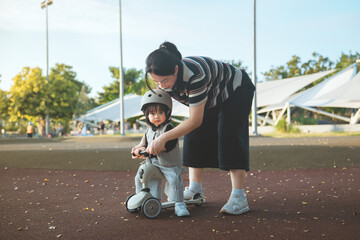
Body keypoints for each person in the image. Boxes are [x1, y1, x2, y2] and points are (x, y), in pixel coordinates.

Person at [141, 41, 255, 215]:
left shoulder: (195, 75)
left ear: (176, 70)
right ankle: (195, 189)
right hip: (211, 94)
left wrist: (164, 138)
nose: (160, 85)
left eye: (164, 80)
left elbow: (195, 120)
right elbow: (167, 118)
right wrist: (146, 140)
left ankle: (239, 197)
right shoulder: (162, 81)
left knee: (229, 135)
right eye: (155, 81)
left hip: (236, 89)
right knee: (194, 134)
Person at [131, 89, 190, 217]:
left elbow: (164, 146)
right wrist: (137, 149)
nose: (156, 116)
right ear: (147, 115)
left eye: (160, 112)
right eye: (152, 113)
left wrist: (148, 151)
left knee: (174, 180)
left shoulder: (169, 129)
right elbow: (143, 143)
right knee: (142, 175)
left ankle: (179, 203)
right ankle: (147, 198)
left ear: (167, 113)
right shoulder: (149, 130)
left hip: (169, 165)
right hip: (154, 164)